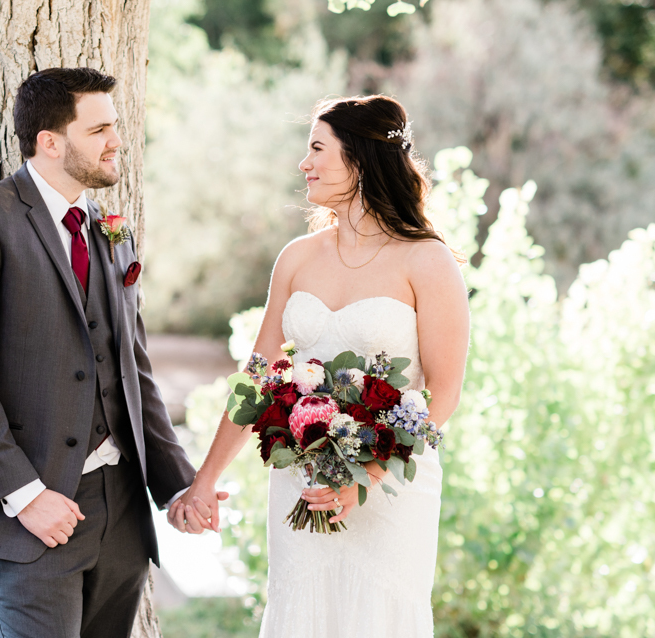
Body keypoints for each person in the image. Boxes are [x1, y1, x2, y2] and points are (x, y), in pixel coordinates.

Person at [0, 67, 221, 638]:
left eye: (116, 127)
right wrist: (25, 495)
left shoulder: (110, 229)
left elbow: (133, 371)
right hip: (36, 516)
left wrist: (176, 483)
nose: (116, 141)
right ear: (50, 142)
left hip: (122, 514)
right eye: (100, 129)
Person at [171, 95, 470, 637]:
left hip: (391, 488)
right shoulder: (297, 257)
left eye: (316, 149)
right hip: (302, 479)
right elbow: (257, 377)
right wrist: (204, 479)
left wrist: (365, 478)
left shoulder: (428, 260)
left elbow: (443, 394)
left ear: (358, 159)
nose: (303, 164)